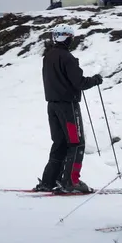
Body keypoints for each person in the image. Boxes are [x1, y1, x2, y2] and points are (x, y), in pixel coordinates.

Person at [34, 24, 103, 194]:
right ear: (68, 38)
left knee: (60, 143)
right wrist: (95, 80)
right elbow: (79, 83)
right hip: (68, 106)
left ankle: (49, 181)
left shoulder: (48, 56)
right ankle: (71, 181)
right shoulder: (68, 58)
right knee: (76, 143)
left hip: (52, 105)